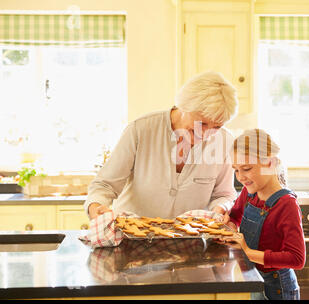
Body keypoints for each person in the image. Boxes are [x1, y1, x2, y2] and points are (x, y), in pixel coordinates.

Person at [84, 71, 238, 220]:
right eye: (202, 123)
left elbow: (224, 194)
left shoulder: (224, 142)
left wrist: (221, 207)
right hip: (132, 238)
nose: (205, 134)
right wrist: (96, 208)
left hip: (189, 240)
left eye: (216, 127)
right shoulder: (141, 129)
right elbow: (105, 185)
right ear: (184, 107)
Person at [224, 129, 306, 300]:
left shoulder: (286, 204)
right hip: (253, 277)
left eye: (246, 168)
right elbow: (234, 216)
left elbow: (297, 259)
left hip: (277, 288)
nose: (240, 177)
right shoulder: (250, 192)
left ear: (270, 162)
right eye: (236, 170)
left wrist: (247, 251)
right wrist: (229, 230)